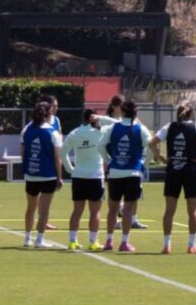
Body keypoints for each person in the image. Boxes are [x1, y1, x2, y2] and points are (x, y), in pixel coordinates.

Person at [150, 102, 196, 255]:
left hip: (173, 169)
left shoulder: (169, 127)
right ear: (191, 113)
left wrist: (159, 157)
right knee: (192, 210)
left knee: (169, 210)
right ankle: (191, 245)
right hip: (190, 170)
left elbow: (152, 142)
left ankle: (166, 245)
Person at [98, 100, 152, 252]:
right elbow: (152, 146)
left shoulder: (112, 127)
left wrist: (109, 161)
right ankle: (124, 242)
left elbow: (100, 145)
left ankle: (109, 241)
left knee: (113, 208)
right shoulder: (141, 129)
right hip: (133, 173)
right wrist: (144, 164)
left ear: (122, 111)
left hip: (115, 172)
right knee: (128, 209)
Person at [21, 101, 65, 248]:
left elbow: (22, 153)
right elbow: (57, 158)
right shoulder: (52, 132)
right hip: (48, 175)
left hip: (31, 175)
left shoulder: (27, 129)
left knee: (30, 207)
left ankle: (27, 239)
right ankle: (39, 240)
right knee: (44, 210)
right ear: (48, 114)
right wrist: (59, 177)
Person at [62, 109, 107, 251]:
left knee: (77, 211)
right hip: (95, 176)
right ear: (94, 118)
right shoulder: (100, 133)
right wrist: (101, 118)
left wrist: (70, 169)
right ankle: (93, 242)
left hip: (79, 176)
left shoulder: (75, 133)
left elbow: (63, 152)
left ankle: (72, 241)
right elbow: (116, 122)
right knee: (95, 212)